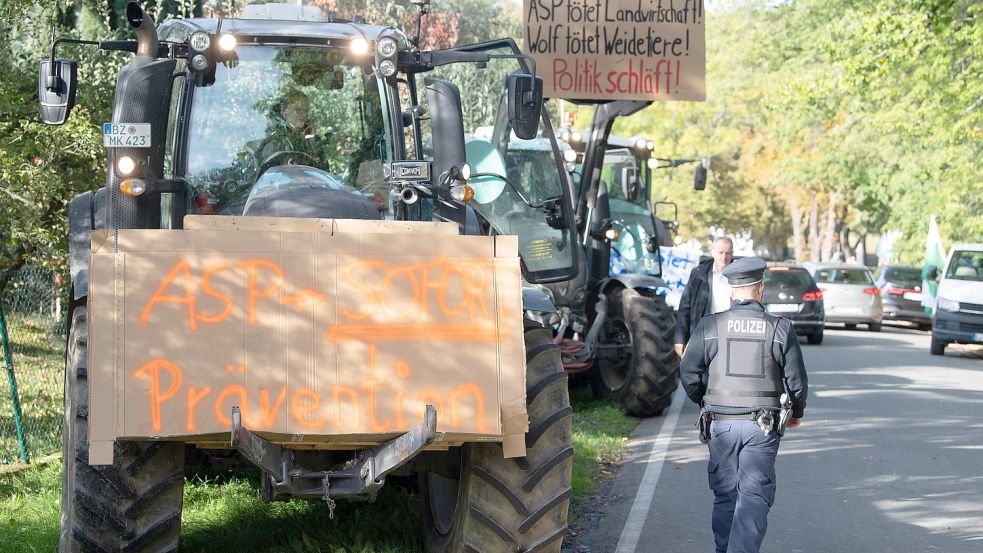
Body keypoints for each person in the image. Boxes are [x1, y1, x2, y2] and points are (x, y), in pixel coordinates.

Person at [679, 256, 808, 553]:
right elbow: (796, 380)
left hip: (720, 424)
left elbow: (688, 373)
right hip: (761, 428)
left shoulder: (710, 325)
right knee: (753, 497)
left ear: (730, 291)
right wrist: (796, 411)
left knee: (725, 496)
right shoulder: (780, 328)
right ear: (760, 289)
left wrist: (705, 400)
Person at [675, 236, 735, 358]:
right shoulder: (698, 274)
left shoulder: (739, 276)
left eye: (728, 253)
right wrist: (679, 338)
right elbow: (685, 307)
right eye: (721, 253)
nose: (724, 257)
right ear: (713, 252)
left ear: (732, 254)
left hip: (731, 337)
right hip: (703, 336)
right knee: (703, 375)